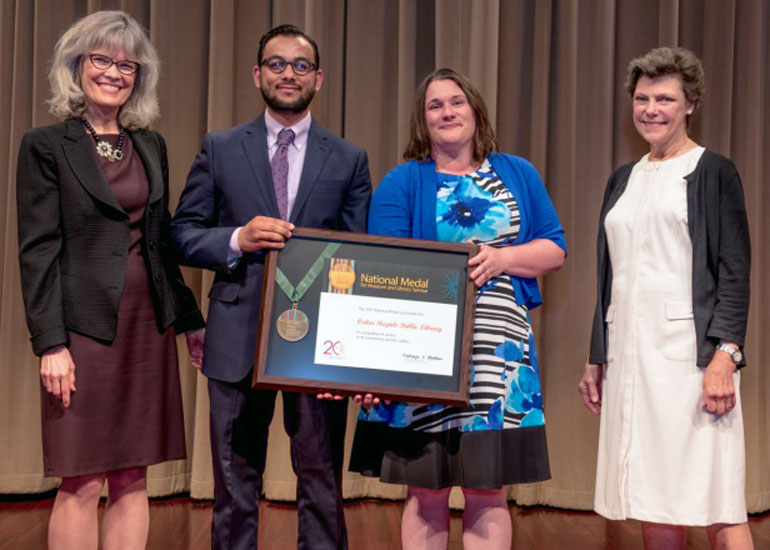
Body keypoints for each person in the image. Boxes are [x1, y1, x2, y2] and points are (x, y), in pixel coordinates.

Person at [170, 24, 371, 550]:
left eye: (300, 65)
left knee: (322, 481)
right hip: (236, 337)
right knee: (235, 483)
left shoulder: (349, 159)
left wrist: (352, 349)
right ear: (257, 74)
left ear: (319, 79)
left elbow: (358, 254)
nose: (288, 74)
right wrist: (237, 237)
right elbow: (183, 236)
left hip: (319, 345)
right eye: (277, 64)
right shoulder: (219, 148)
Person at [348, 68, 566, 550]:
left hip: (500, 358)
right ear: (422, 121)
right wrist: (372, 366)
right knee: (426, 490)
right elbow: (380, 274)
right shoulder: (402, 182)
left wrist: (504, 257)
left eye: (456, 102)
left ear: (475, 111)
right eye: (435, 105)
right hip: (420, 356)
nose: (447, 112)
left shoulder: (517, 173)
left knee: (489, 492)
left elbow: (554, 248)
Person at [15, 10, 205, 550]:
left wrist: (189, 321)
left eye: (128, 64)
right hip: (83, 332)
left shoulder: (150, 145)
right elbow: (37, 251)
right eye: (102, 59)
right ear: (76, 66)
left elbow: (160, 243)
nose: (115, 72)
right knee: (80, 477)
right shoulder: (46, 144)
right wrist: (51, 342)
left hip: (147, 329)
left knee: (132, 475)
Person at [578, 47, 753, 549]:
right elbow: (610, 277)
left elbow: (735, 273)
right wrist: (597, 357)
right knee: (653, 500)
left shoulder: (713, 172)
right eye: (642, 98)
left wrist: (726, 354)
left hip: (690, 365)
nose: (650, 109)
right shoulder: (623, 178)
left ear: (690, 104)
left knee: (717, 500)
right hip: (629, 359)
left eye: (664, 98)